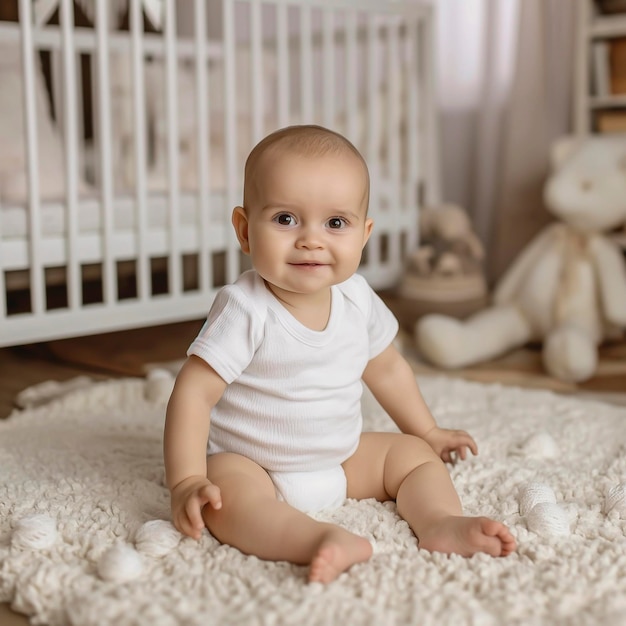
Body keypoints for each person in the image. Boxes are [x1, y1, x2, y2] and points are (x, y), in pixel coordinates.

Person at [164, 125, 516, 584]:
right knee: (225, 501)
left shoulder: (357, 298)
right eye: (286, 219)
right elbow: (192, 395)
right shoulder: (245, 308)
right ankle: (314, 540)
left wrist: (426, 430)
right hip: (254, 463)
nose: (312, 240)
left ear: (364, 234)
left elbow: (386, 367)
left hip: (341, 457)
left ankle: (439, 524)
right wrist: (187, 480)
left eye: (335, 223)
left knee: (412, 457)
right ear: (245, 230)